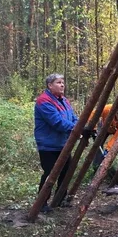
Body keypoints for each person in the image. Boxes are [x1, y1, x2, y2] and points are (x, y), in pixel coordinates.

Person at [34, 73, 78, 213]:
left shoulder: (64, 100)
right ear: (50, 85)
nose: (62, 85)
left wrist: (80, 126)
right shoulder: (44, 101)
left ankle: (59, 199)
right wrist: (77, 128)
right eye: (58, 82)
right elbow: (57, 122)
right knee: (50, 174)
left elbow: (74, 118)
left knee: (66, 172)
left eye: (62, 82)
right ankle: (41, 203)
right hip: (48, 145)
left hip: (63, 143)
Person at [88, 104, 118, 179]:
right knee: (98, 145)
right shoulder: (107, 109)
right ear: (117, 113)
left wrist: (108, 149)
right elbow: (94, 114)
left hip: (117, 130)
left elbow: (116, 137)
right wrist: (93, 128)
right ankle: (96, 168)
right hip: (105, 126)